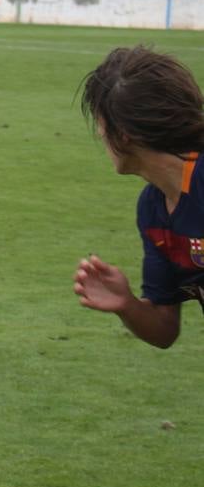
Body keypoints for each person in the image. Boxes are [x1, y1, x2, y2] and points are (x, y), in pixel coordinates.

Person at [74, 46, 204, 349]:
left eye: (100, 124)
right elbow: (164, 329)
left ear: (123, 134)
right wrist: (127, 304)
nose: (100, 136)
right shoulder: (153, 210)